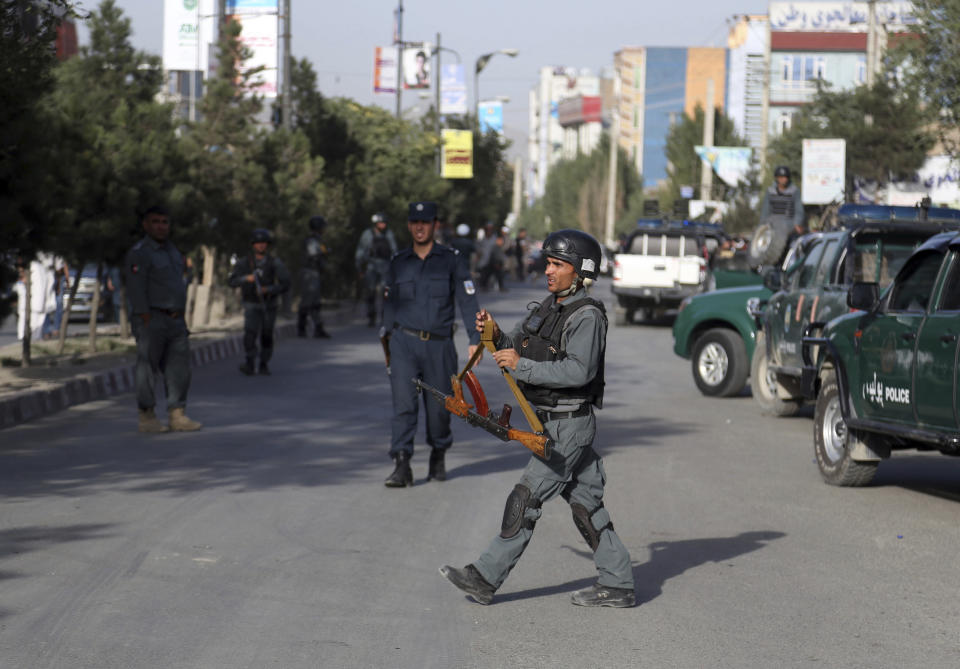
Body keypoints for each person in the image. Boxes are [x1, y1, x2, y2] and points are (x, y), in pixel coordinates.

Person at [439, 229, 636, 608]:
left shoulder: (586, 316)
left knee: (525, 497)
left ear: (579, 272)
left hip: (569, 426)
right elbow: (514, 343)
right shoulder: (550, 306)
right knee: (586, 505)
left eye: (557, 264)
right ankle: (619, 582)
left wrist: (521, 366)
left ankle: (484, 577)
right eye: (547, 262)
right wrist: (492, 333)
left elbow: (579, 371)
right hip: (549, 421)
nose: (548, 270)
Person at [381, 201, 482, 487]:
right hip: (403, 344)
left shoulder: (451, 259)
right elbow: (388, 305)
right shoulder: (398, 262)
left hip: (439, 347)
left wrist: (475, 340)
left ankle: (439, 451)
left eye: (425, 222)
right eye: (415, 222)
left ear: (435, 224)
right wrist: (386, 341)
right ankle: (402, 464)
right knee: (403, 407)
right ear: (409, 225)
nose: (420, 227)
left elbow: (467, 300)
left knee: (439, 411)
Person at [125, 205, 202, 433]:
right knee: (147, 368)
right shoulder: (140, 252)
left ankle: (177, 414)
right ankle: (147, 416)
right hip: (152, 318)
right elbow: (136, 289)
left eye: (165, 222)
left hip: (176, 319)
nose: (161, 226)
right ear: (146, 225)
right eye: (156, 221)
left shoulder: (173, 251)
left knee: (179, 367)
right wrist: (144, 318)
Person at [228, 228, 291, 376]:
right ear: (253, 244)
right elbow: (232, 281)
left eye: (263, 243)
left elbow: (286, 283)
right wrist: (246, 279)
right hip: (251, 304)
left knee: (267, 334)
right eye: (258, 243)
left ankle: (264, 363)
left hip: (269, 305)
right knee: (250, 334)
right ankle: (250, 362)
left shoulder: (275, 263)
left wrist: (268, 289)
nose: (261, 246)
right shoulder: (244, 263)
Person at [355, 212, 398, 327]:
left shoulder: (389, 234)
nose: (383, 225)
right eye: (381, 223)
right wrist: (359, 267)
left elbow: (394, 250)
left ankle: (386, 316)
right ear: (375, 223)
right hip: (371, 266)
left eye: (384, 223)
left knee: (386, 291)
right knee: (370, 291)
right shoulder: (367, 234)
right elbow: (361, 251)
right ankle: (371, 315)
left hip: (385, 265)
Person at [297, 215, 330, 339]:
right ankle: (301, 328)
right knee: (307, 301)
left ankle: (318, 328)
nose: (324, 229)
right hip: (309, 273)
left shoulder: (318, 239)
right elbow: (314, 254)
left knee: (315, 302)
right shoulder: (312, 240)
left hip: (314, 272)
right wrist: (324, 252)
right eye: (322, 227)